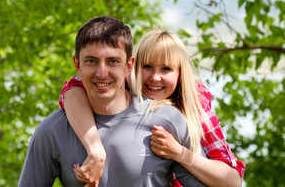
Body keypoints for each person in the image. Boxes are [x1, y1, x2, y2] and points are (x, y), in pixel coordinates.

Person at [18, 16, 208, 187]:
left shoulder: (168, 122)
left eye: (112, 61)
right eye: (91, 61)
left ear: (129, 66)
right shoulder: (52, 131)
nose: (102, 73)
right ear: (77, 65)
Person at [60, 29, 246, 187]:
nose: (155, 78)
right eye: (147, 67)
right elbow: (71, 89)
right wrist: (95, 150)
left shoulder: (194, 103)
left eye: (166, 69)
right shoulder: (121, 85)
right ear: (132, 68)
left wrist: (180, 153)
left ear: (180, 73)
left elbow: (233, 181)